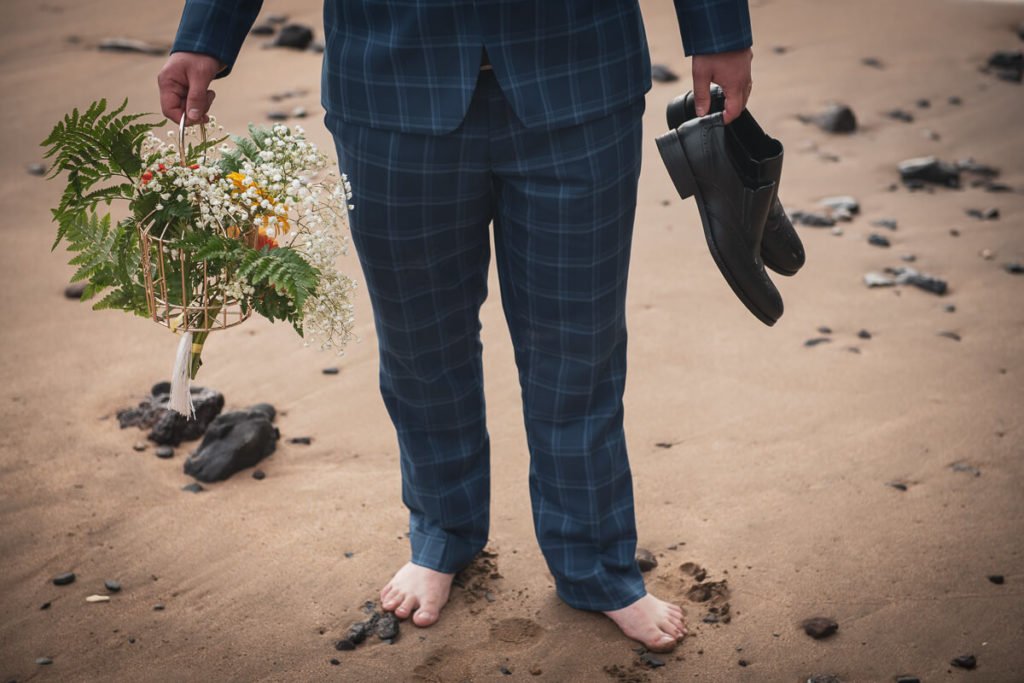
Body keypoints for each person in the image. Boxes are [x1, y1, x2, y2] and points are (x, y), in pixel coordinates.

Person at [159, 0, 753, 654]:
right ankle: (443, 531)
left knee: (581, 349)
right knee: (421, 344)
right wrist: (207, 34)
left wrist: (717, 29)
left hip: (582, 68)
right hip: (389, 81)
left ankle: (595, 562)